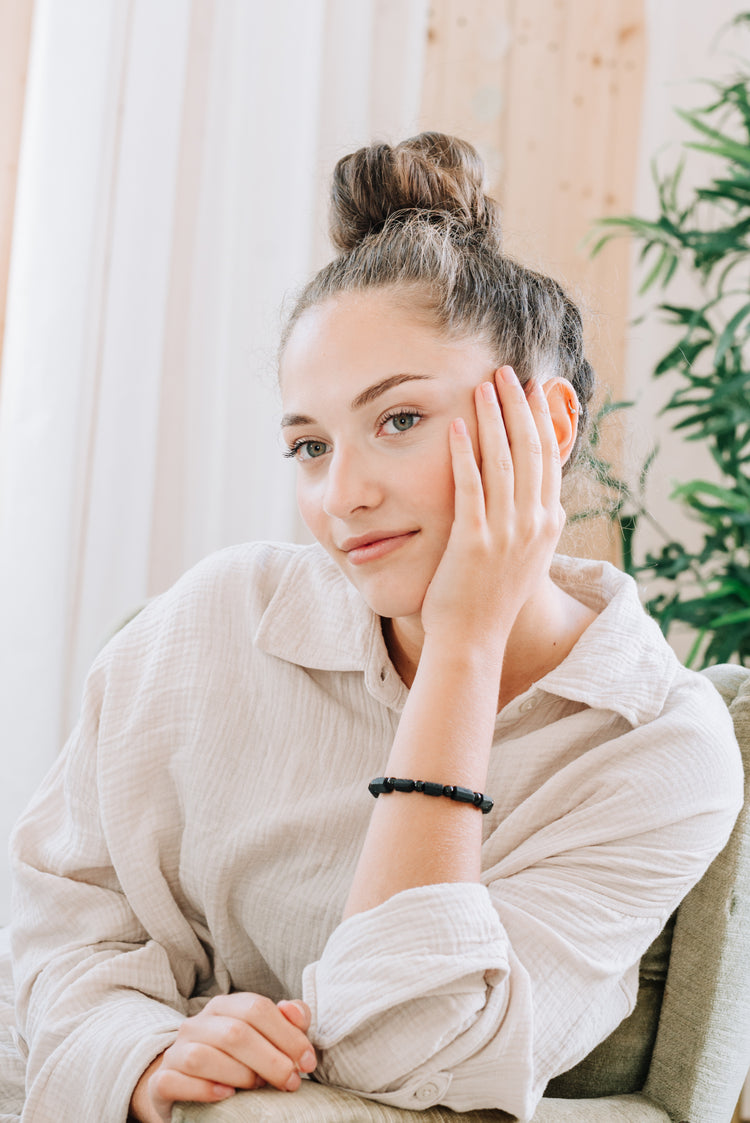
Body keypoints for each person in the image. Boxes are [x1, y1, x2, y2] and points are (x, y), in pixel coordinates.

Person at [8, 133, 742, 1123]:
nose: (342, 495)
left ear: (547, 426)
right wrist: (141, 1052)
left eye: (398, 420)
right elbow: (59, 923)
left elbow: (403, 1047)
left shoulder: (658, 748)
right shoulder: (217, 619)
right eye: (310, 446)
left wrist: (464, 647)